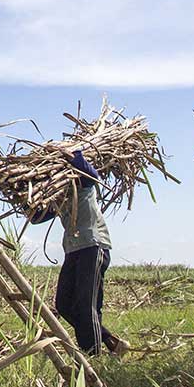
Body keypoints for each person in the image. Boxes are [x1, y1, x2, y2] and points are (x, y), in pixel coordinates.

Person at [30, 151, 129, 357]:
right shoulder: (58, 195)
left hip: (93, 246)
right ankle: (111, 341)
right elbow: (36, 217)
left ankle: (93, 357)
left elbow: (89, 169)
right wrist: (26, 197)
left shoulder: (83, 182)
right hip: (73, 250)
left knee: (86, 306)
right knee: (64, 304)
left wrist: (69, 152)